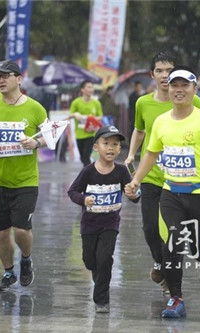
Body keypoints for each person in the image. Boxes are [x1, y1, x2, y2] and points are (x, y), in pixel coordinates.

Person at [125, 66, 200, 318]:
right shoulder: (160, 122)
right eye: (174, 85)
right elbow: (151, 153)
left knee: (199, 248)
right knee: (171, 245)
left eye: (184, 85)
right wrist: (136, 180)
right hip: (171, 192)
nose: (178, 90)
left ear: (194, 90)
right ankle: (176, 299)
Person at [124, 51, 200, 293]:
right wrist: (131, 154)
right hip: (151, 177)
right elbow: (140, 130)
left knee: (172, 232)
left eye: (168, 70)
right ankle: (159, 261)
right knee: (150, 228)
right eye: (159, 71)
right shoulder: (143, 103)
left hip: (181, 179)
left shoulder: (193, 101)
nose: (164, 75)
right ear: (152, 75)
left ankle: (172, 284)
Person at [0, 60, 48, 292]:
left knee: (21, 229)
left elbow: (49, 136)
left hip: (26, 181)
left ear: (19, 78)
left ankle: (26, 259)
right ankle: (8, 272)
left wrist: (35, 142)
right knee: (1, 232)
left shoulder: (35, 108)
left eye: (6, 75)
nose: (1, 80)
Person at [67, 125, 140, 313]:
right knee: (90, 261)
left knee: (105, 258)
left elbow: (135, 194)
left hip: (110, 224)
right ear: (96, 147)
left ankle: (102, 300)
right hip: (89, 225)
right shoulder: (88, 171)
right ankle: (97, 275)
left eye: (115, 144)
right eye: (106, 143)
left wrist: (133, 194)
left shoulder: (122, 171)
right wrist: (84, 199)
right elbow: (72, 191)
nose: (111, 148)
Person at [69, 80, 103, 166]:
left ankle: (87, 175)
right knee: (82, 157)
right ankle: (89, 170)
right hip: (79, 134)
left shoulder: (96, 103)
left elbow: (100, 116)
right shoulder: (76, 102)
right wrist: (76, 114)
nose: (91, 89)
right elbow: (70, 115)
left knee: (86, 157)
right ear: (82, 89)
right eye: (89, 87)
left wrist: (91, 119)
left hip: (91, 134)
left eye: (92, 87)